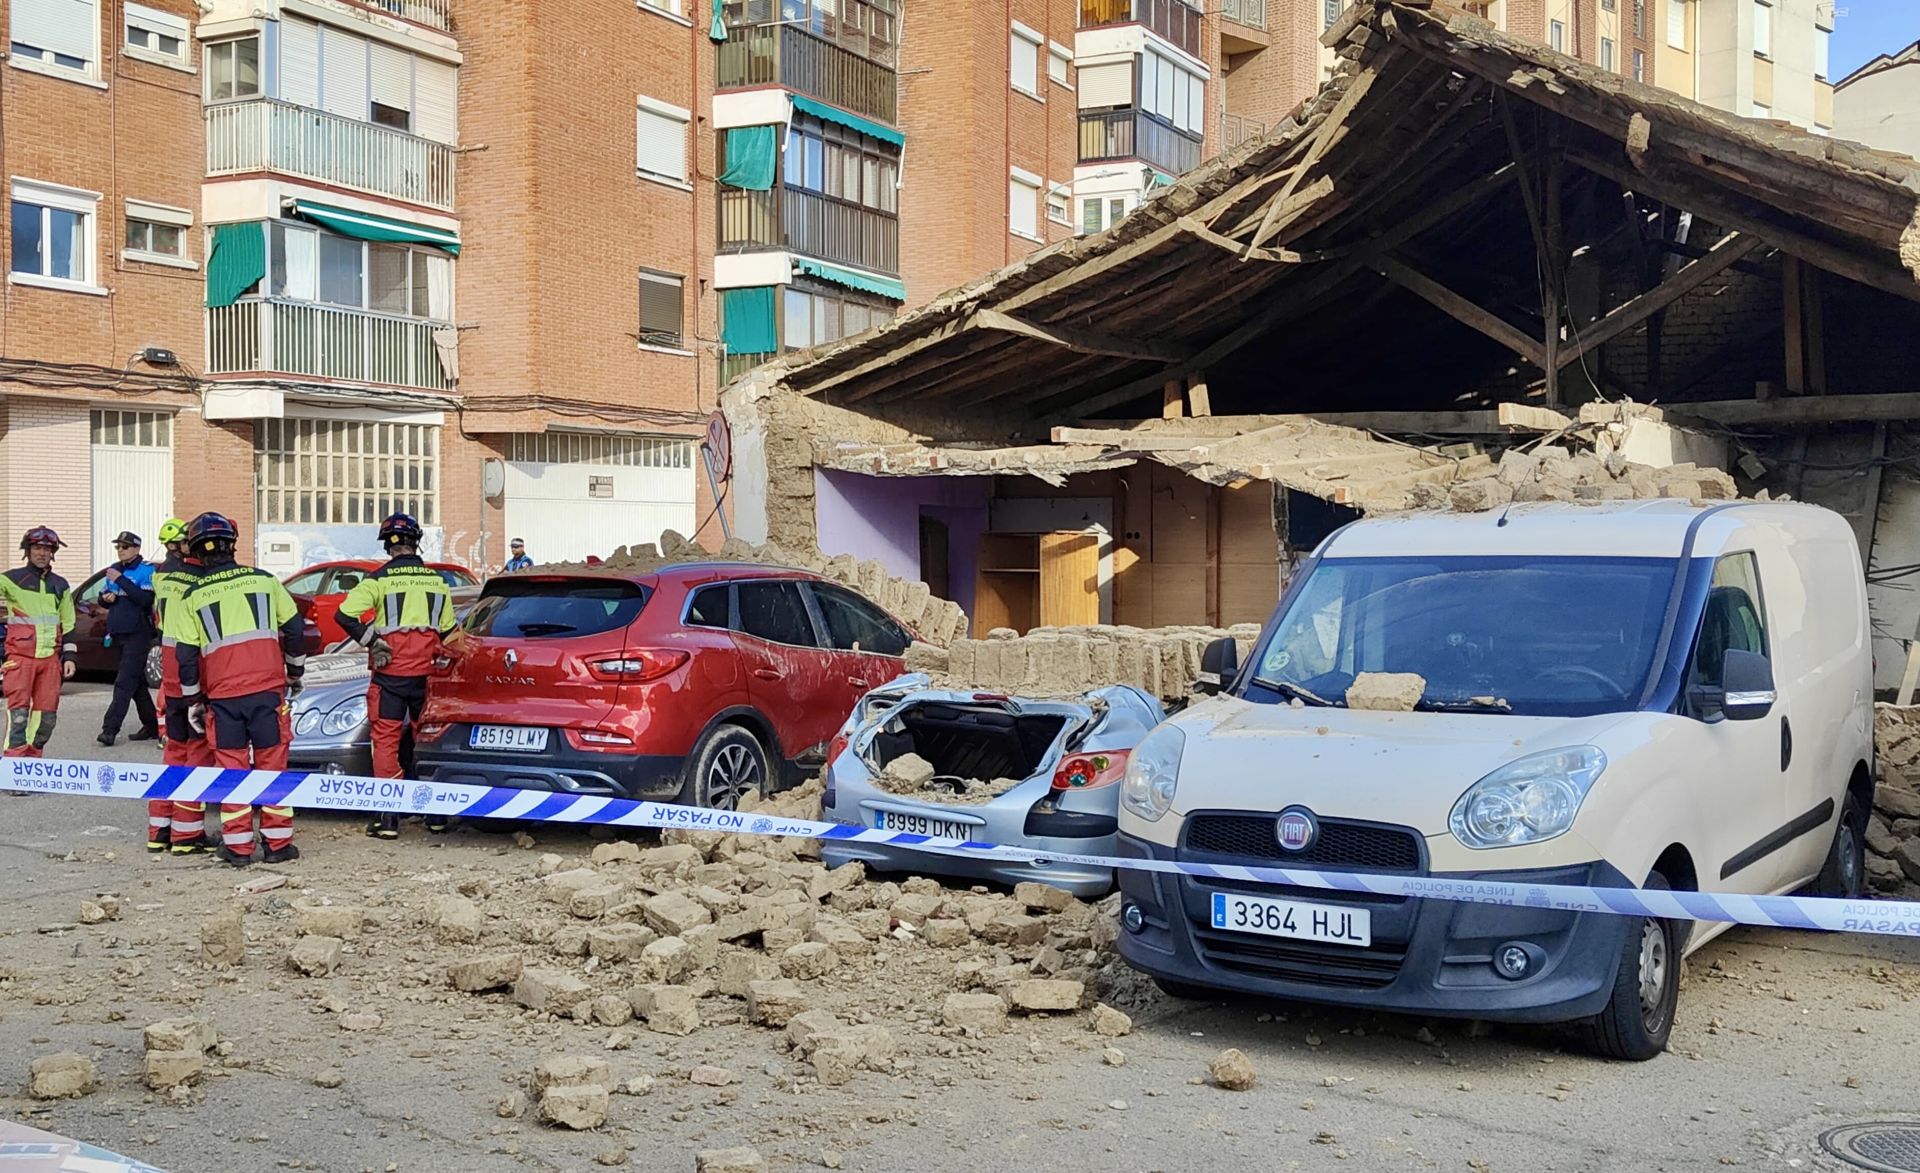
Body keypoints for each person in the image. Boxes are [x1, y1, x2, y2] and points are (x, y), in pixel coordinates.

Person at [167, 513, 306, 866]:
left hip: (223, 697)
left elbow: (185, 657)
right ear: (232, 545)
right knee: (272, 765)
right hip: (267, 691)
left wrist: (193, 699)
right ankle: (278, 846)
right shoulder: (265, 581)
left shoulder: (192, 596)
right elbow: (295, 629)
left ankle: (238, 847)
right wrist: (294, 670)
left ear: (196, 551)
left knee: (232, 769)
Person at [336, 513, 461, 840]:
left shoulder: (377, 581)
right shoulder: (438, 582)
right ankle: (435, 816)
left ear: (388, 545)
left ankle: (388, 819)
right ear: (416, 541)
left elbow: (344, 615)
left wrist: (372, 642)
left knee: (387, 743)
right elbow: (450, 633)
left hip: (390, 676)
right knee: (428, 741)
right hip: (429, 678)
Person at [150, 517, 215, 855]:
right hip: (194, 679)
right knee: (198, 756)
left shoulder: (163, 577)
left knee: (173, 755)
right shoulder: (202, 583)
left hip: (171, 678)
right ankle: (186, 836)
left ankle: (158, 830)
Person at [2, 527, 77, 759]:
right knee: (19, 717)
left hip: (50, 661)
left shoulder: (60, 585)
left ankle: (33, 767)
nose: (41, 553)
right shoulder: (11, 580)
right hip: (20, 659)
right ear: (28, 550)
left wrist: (70, 656)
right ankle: (14, 770)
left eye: (46, 549)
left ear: (52, 552)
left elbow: (69, 622)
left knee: (46, 720)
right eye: (37, 548)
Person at [96, 531, 159, 747]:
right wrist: (105, 598)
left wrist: (121, 581)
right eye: (118, 547)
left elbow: (144, 600)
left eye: (125, 547)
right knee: (136, 684)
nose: (120, 550)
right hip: (117, 633)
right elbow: (103, 599)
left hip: (138, 634)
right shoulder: (114, 569)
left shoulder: (146, 570)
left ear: (136, 549)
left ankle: (109, 729)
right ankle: (153, 727)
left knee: (123, 683)